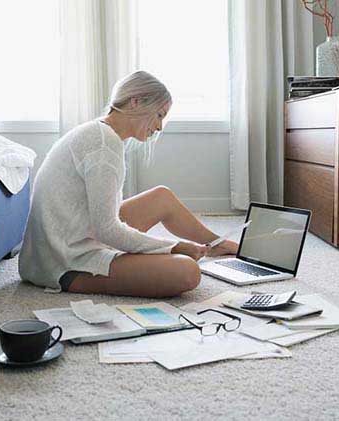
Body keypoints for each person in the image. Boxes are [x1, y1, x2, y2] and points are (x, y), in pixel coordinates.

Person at [19, 71, 237, 297]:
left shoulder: (99, 132)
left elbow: (103, 220)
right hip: (63, 259)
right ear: (136, 102)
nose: (160, 127)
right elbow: (108, 230)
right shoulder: (103, 145)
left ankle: (218, 243)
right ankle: (75, 277)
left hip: (67, 238)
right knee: (187, 271)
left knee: (161, 197)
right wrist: (174, 247)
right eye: (159, 115)